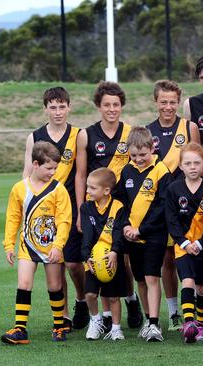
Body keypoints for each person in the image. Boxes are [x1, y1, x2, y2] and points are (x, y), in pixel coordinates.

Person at [75, 81, 142, 331]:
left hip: (121, 206)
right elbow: (81, 175)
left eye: (116, 104)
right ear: (98, 106)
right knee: (97, 256)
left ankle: (132, 301)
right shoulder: (86, 134)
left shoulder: (131, 132)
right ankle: (104, 316)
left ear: (121, 106)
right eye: (106, 105)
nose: (111, 109)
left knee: (122, 260)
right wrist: (82, 210)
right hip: (95, 208)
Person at [22, 87, 88, 331]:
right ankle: (63, 315)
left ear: (69, 107)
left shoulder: (78, 135)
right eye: (53, 107)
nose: (58, 112)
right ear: (45, 109)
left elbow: (81, 175)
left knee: (73, 263)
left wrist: (81, 210)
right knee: (55, 264)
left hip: (68, 208)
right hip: (43, 213)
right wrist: (26, 211)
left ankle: (81, 300)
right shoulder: (35, 137)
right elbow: (27, 176)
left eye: (62, 106)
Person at [1, 141, 71, 344]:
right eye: (49, 168)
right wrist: (8, 245)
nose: (53, 172)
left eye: (56, 168)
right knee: (23, 284)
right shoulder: (19, 189)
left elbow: (64, 220)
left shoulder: (59, 190)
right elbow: (13, 218)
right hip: (27, 245)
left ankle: (59, 325)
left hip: (51, 248)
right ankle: (20, 329)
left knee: (54, 285)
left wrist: (58, 246)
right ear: (35, 164)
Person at [146, 80, 201, 332]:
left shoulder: (188, 127)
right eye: (163, 101)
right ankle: (174, 312)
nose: (168, 107)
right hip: (160, 207)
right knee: (167, 258)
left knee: (191, 255)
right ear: (155, 101)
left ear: (178, 103)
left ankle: (200, 310)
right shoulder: (147, 132)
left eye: (172, 102)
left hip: (189, 207)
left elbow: (200, 163)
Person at [115, 126, 172, 342]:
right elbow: (120, 202)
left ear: (152, 148)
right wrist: (127, 227)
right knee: (140, 279)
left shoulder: (161, 170)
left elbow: (162, 206)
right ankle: (148, 320)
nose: (138, 159)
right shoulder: (126, 171)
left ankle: (155, 324)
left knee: (151, 277)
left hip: (154, 234)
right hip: (132, 236)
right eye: (134, 155)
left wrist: (142, 229)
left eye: (143, 155)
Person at [165, 143, 203, 343]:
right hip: (182, 247)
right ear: (180, 165)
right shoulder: (173, 189)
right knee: (187, 280)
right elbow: (171, 219)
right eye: (187, 163)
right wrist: (182, 242)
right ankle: (188, 323)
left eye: (197, 163)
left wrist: (200, 243)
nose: (192, 167)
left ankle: (200, 324)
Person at [81, 168, 128, 341]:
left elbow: (118, 233)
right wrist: (87, 257)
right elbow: (86, 235)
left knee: (113, 297)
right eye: (87, 187)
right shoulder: (86, 207)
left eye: (92, 188)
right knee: (90, 295)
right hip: (93, 259)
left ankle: (116, 328)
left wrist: (115, 252)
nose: (87, 191)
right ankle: (96, 320)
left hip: (112, 258)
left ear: (106, 191)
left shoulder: (118, 207)